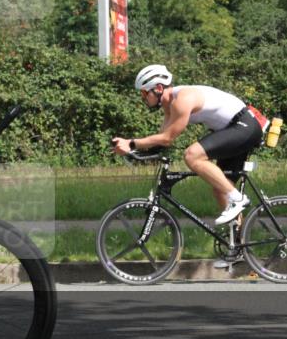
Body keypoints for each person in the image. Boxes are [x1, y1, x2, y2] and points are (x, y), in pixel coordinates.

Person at [112, 64, 266, 229]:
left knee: (192, 155)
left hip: (245, 124)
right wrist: (131, 150)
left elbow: (167, 138)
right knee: (221, 188)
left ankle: (238, 199)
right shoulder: (169, 106)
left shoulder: (182, 99)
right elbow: (159, 141)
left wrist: (131, 142)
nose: (142, 97)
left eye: (144, 92)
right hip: (233, 128)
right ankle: (237, 241)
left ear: (157, 88)